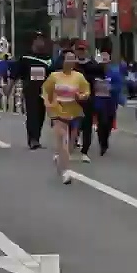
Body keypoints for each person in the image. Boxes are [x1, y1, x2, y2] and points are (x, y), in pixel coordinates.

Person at [42, 48, 91, 185]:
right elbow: (46, 91)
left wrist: (81, 96)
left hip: (75, 112)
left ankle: (62, 160)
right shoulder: (54, 76)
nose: (70, 61)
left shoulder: (79, 77)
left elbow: (86, 92)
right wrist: (49, 104)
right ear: (62, 61)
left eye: (72, 59)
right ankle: (66, 171)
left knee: (70, 143)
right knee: (63, 138)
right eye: (67, 59)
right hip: (59, 112)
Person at [14, 33, 53, 149]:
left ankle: (37, 137)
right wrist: (10, 86)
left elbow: (52, 74)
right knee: (32, 114)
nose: (41, 42)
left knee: (41, 114)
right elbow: (17, 73)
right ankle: (32, 139)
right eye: (38, 40)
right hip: (30, 89)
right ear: (34, 42)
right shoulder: (25, 57)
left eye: (43, 40)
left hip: (44, 90)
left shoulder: (47, 58)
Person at [88, 47, 125, 156]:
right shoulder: (94, 71)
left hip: (110, 101)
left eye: (106, 59)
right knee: (101, 122)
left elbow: (119, 86)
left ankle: (105, 140)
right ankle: (102, 143)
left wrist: (111, 88)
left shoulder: (114, 72)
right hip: (99, 101)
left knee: (108, 123)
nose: (104, 61)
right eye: (102, 59)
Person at [75, 39, 107, 161]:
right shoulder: (71, 64)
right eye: (79, 49)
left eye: (83, 50)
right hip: (72, 98)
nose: (81, 52)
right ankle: (70, 143)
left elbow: (102, 75)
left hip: (88, 97)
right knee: (72, 123)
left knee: (87, 123)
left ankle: (85, 149)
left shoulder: (92, 65)